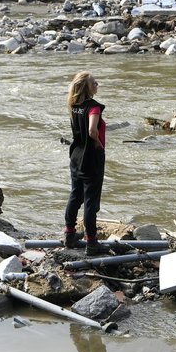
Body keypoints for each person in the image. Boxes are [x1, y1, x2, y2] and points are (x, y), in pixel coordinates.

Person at [63, 72, 107, 253]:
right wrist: (98, 143)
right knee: (90, 201)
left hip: (76, 156)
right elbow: (91, 130)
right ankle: (92, 242)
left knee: (75, 195)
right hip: (91, 158)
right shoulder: (94, 108)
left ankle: (70, 235)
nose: (97, 84)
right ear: (87, 87)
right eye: (94, 83)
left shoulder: (74, 106)